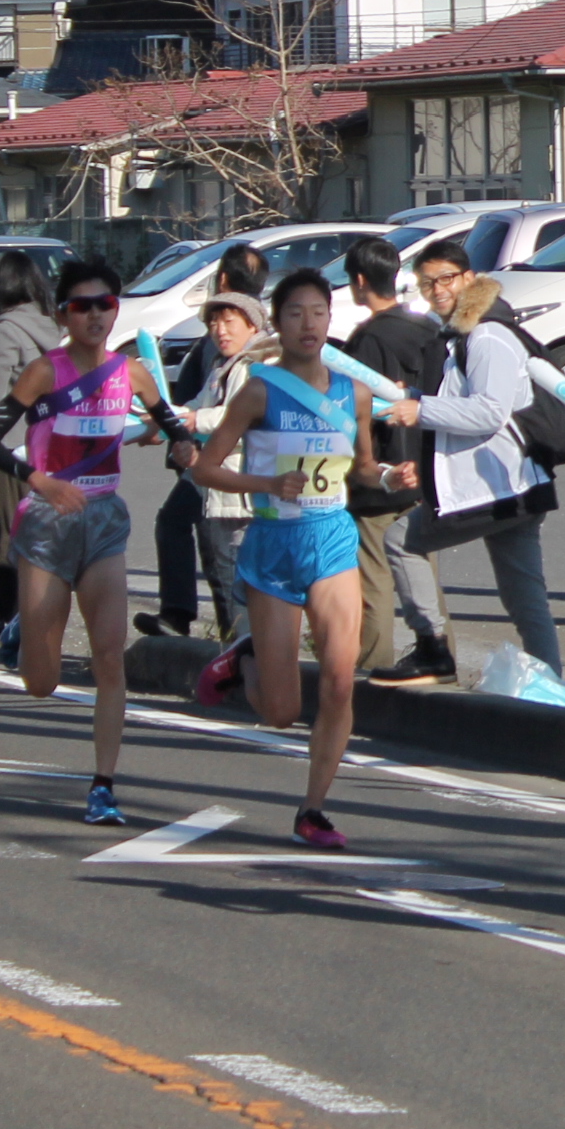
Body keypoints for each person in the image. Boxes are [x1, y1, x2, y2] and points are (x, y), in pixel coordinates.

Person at [190, 269, 400, 849]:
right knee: (280, 711)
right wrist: (265, 481)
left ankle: (314, 809)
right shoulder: (258, 389)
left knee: (338, 681)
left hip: (332, 538)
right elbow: (205, 467)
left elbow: (361, 465)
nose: (308, 325)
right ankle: (246, 654)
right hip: (274, 543)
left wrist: (386, 473)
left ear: (331, 321)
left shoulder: (352, 393)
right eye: (295, 315)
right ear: (276, 325)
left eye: (318, 314)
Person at [0, 256, 170, 826]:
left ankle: (103, 785)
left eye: (105, 304)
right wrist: (40, 480)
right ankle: (22, 628)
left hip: (104, 523)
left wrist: (166, 436)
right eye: (82, 306)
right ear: (63, 314)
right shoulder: (44, 372)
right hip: (46, 524)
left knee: (110, 657)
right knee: (42, 682)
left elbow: (172, 425)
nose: (96, 315)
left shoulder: (130, 372)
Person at [384, 240, 562, 675]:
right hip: (510, 488)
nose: (437, 289)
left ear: (468, 278)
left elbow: (489, 410)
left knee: (400, 540)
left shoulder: (487, 335)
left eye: (446, 278)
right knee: (525, 599)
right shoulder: (463, 333)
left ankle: (432, 647)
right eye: (428, 282)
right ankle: (553, 693)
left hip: (497, 486)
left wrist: (419, 409)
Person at [339, 236, 452, 682]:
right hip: (428, 467)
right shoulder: (429, 330)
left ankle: (372, 669)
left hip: (382, 471)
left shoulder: (365, 340)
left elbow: (356, 411)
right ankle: (446, 666)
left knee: (374, 583)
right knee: (424, 573)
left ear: (360, 281)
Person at [143, 243, 267, 642]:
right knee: (222, 559)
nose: (220, 329)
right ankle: (230, 642)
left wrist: (192, 422)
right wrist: (162, 424)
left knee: (231, 564)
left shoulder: (257, 361)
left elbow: (237, 414)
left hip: (236, 476)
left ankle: (236, 647)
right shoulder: (221, 361)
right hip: (211, 471)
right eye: (215, 322)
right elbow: (193, 403)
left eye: (228, 321)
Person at [0, 247, 57, 645]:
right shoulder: (47, 326)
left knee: (2, 531)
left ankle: (0, 621)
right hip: (39, 441)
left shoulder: (4, 330)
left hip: (3, 443)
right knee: (30, 532)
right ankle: (28, 619)